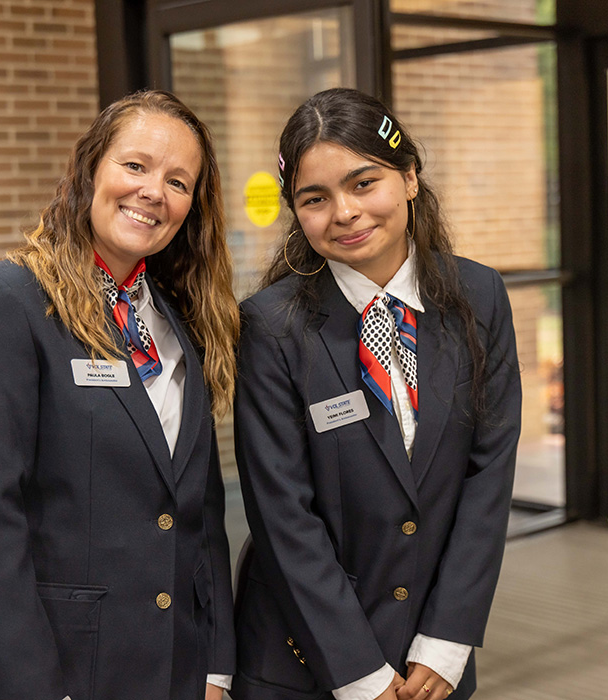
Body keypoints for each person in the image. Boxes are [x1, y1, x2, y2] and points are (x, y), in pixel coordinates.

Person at [0, 90, 238, 700]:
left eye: (179, 181)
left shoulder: (178, 322)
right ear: (89, 169)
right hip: (55, 672)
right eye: (135, 166)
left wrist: (214, 667)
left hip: (172, 669)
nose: (155, 191)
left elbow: (198, 516)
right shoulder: (3, 303)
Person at [231, 88, 521, 700]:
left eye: (364, 183)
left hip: (431, 662)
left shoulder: (481, 296)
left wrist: (447, 643)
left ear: (410, 177)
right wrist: (358, 671)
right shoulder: (271, 324)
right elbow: (282, 512)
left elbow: (488, 476)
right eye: (315, 199)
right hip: (305, 661)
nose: (344, 212)